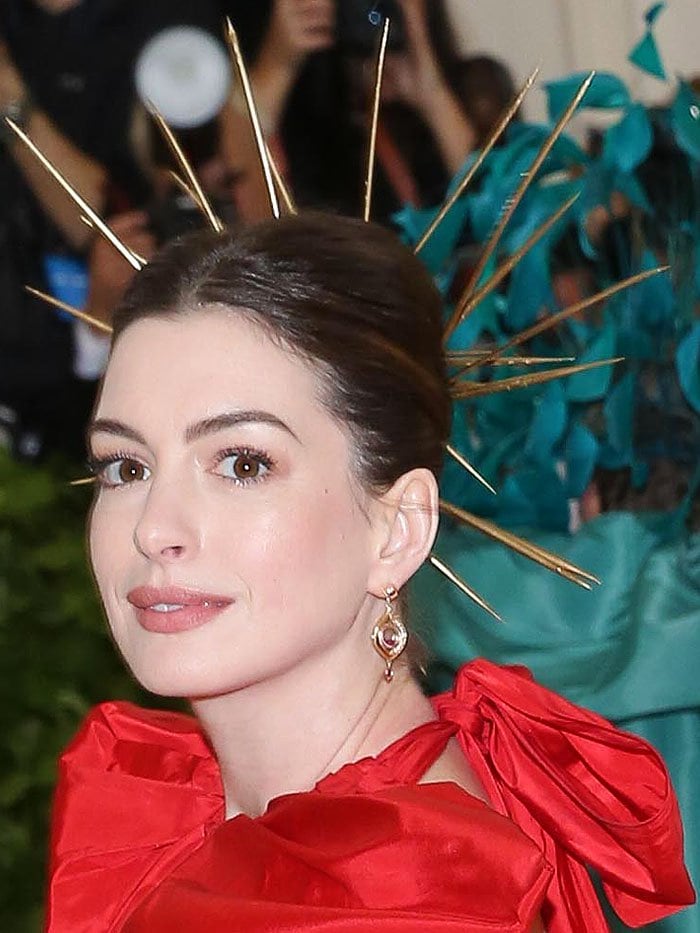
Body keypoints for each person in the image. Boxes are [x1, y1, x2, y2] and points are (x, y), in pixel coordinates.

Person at [46, 213, 694, 931]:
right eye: (126, 466)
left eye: (242, 463)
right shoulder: (176, 808)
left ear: (398, 527)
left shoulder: (415, 900)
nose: (152, 527)